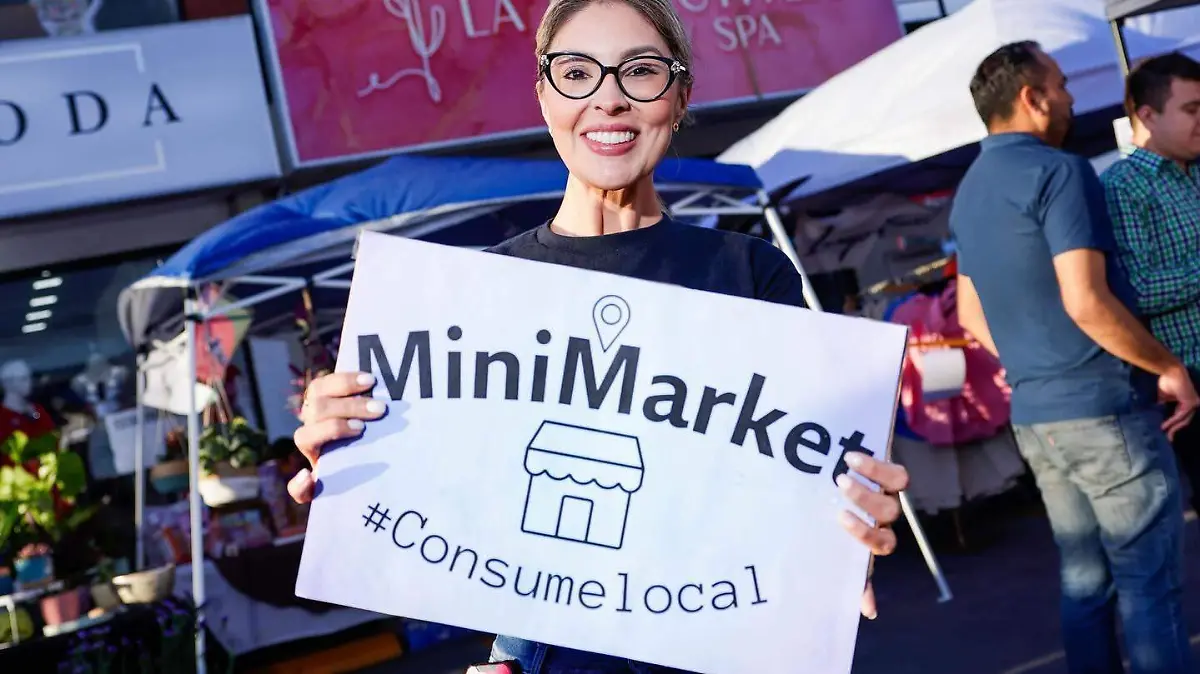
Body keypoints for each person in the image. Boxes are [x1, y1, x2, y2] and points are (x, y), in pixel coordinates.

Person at [286, 0, 911, 671]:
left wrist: (846, 522)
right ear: (544, 95)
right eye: (577, 72)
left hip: (713, 646)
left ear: (680, 97)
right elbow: (448, 508)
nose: (608, 99)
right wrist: (354, 458)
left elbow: (801, 477)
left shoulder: (750, 274)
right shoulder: (477, 294)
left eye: (640, 72)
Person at [950, 41, 1196, 674]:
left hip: (1039, 415)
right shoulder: (1060, 171)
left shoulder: (970, 191)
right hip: (1105, 408)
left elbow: (970, 315)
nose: (1070, 96)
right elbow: (1086, 301)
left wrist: (1038, 364)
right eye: (1060, 84)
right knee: (1149, 587)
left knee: (1086, 585)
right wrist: (1167, 367)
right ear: (1032, 98)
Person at [1101, 52, 1200, 515]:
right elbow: (1134, 290)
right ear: (1147, 115)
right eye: (1191, 109)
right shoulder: (1123, 187)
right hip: (1189, 380)